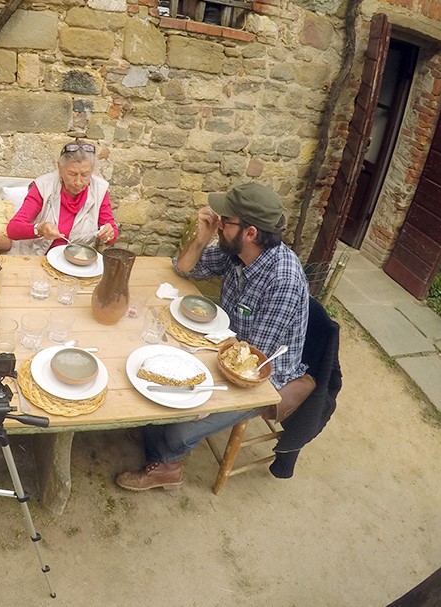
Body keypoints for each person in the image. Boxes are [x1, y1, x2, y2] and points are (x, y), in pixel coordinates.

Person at [116, 183, 312, 491]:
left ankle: (167, 465)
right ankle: (155, 427)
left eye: (225, 220)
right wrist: (201, 238)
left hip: (260, 377)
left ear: (250, 232)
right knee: (153, 359)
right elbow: (184, 270)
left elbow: (251, 364)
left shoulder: (282, 280)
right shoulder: (239, 252)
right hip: (227, 345)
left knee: (178, 424)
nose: (218, 222)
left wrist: (201, 394)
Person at [7, 139, 118, 254]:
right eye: (72, 174)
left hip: (78, 259)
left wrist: (108, 234)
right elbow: (13, 229)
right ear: (60, 168)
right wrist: (40, 229)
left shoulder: (99, 190)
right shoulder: (43, 187)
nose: (78, 182)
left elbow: (111, 235)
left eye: (85, 175)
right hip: (40, 257)